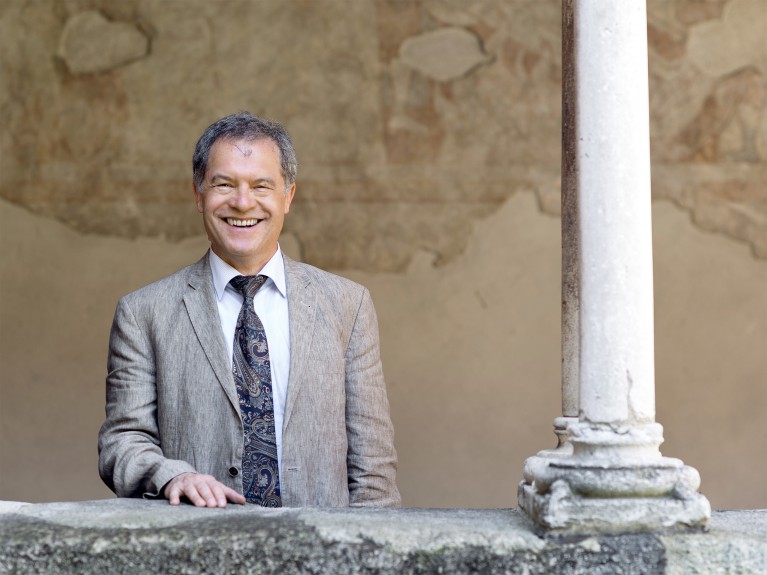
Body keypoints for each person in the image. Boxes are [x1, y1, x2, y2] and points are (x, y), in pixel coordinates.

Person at [98, 112, 400, 508]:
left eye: (261, 186)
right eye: (224, 184)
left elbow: (373, 470)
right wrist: (172, 475)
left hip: (321, 543)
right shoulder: (143, 314)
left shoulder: (348, 305)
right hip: (198, 542)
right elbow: (122, 443)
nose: (242, 203)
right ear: (198, 195)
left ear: (288, 196)